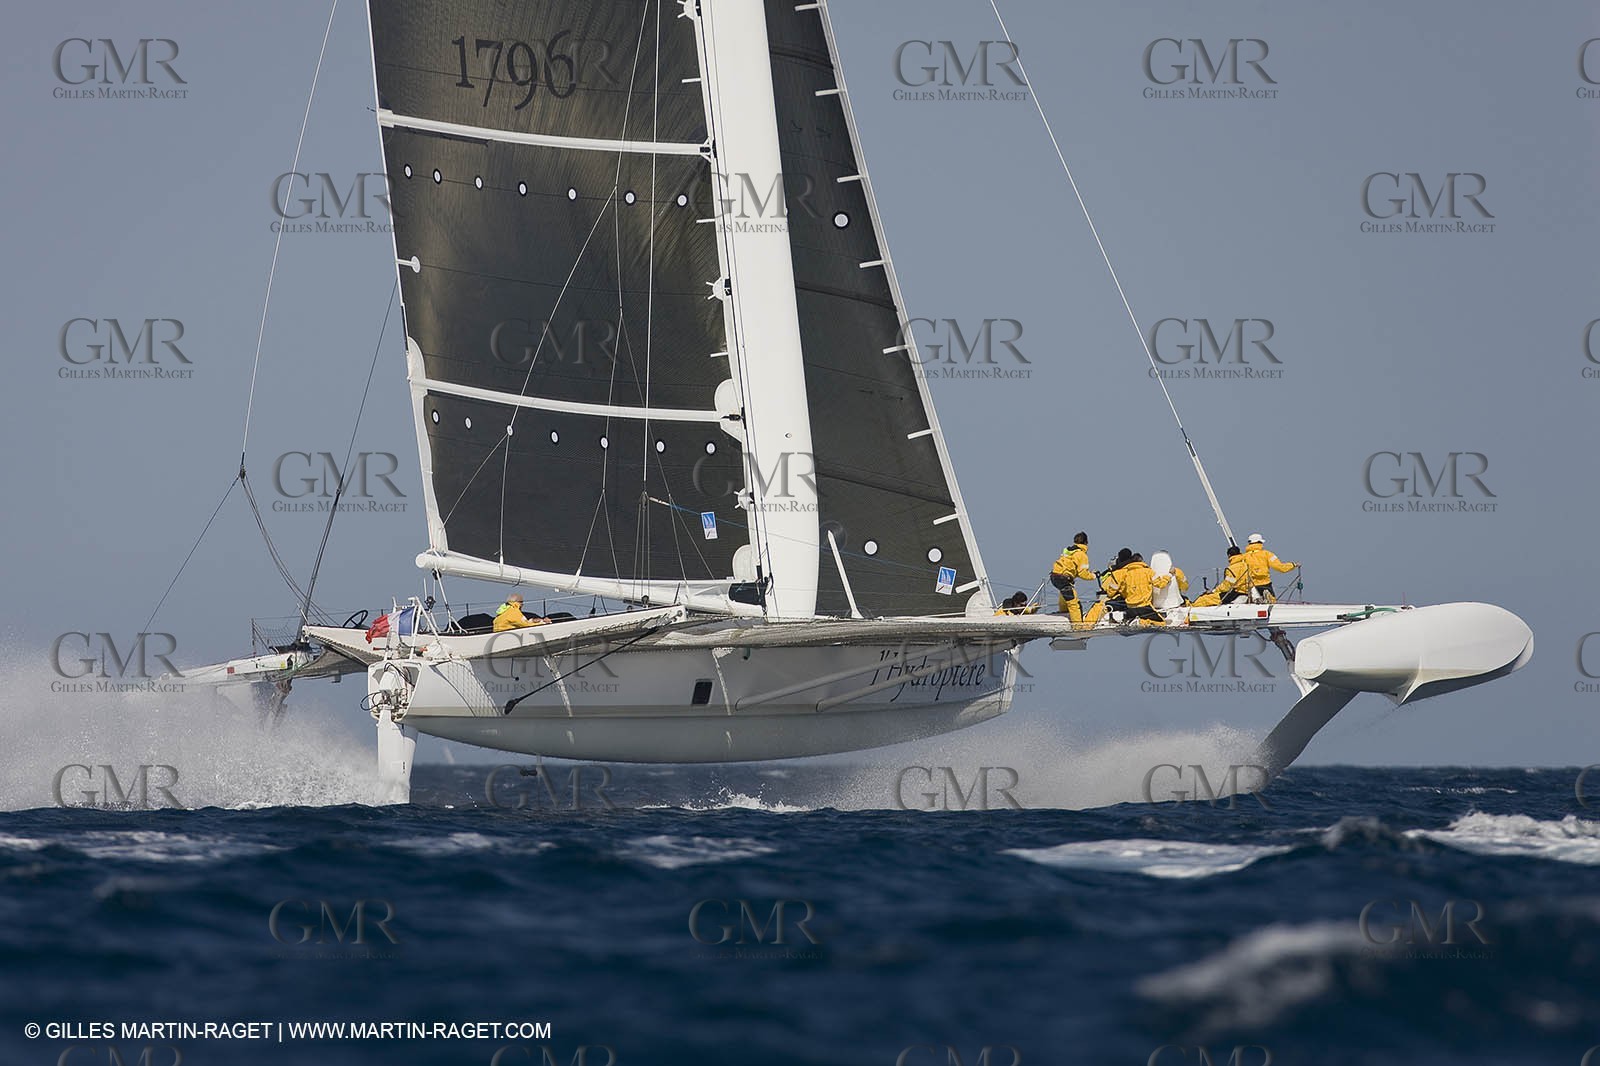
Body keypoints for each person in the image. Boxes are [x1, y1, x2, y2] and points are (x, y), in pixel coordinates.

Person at [1049, 531, 1096, 624]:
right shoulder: (1082, 555)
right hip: (1063, 579)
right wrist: (1093, 576)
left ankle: (1064, 613)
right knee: (1074, 604)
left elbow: (1071, 568)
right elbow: (1083, 574)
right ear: (1086, 542)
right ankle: (1077, 626)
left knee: (1065, 593)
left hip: (1054, 576)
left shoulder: (1069, 551)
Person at [1082, 548, 1134, 627]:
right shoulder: (1137, 570)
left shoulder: (1118, 573)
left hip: (1123, 599)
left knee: (1099, 606)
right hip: (1136, 599)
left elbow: (1110, 591)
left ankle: (1086, 626)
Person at [1112, 552, 1166, 626]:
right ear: (1141, 561)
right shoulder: (1148, 572)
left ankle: (1133, 621)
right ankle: (1141, 622)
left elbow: (1122, 590)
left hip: (1130, 607)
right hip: (1144, 606)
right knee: (1162, 624)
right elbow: (1161, 584)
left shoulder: (1125, 574)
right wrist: (1169, 575)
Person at [1243, 533, 1297, 603]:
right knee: (1272, 603)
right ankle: (1267, 596)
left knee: (1252, 604)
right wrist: (1293, 565)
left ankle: (1256, 598)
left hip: (1250, 585)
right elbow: (1280, 567)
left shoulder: (1243, 557)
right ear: (1260, 542)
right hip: (1265, 583)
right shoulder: (1267, 554)